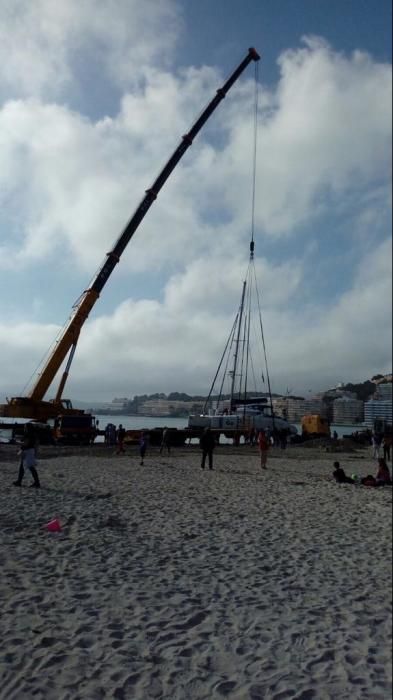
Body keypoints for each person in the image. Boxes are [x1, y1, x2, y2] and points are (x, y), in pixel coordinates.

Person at [13, 423, 40, 488]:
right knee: (22, 466)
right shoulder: (33, 434)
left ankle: (37, 483)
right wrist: (35, 452)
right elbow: (36, 444)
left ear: (28, 428)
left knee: (30, 467)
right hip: (29, 451)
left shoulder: (29, 434)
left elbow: (25, 443)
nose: (24, 428)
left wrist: (16, 442)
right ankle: (19, 481)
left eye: (25, 427)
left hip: (28, 452)